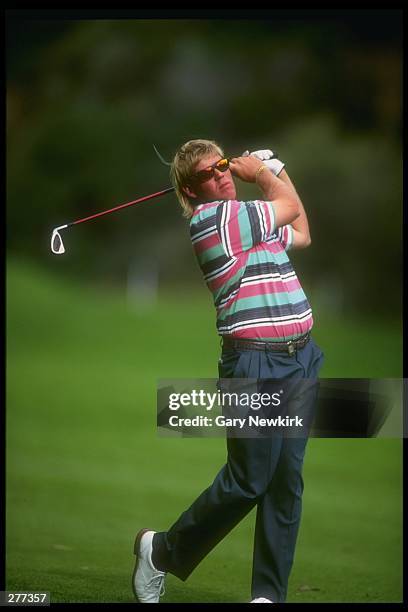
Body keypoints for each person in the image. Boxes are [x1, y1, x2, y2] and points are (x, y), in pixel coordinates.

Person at [132, 140, 324, 604]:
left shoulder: (250, 219)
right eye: (209, 174)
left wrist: (276, 168)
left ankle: (267, 596)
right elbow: (288, 204)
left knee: (285, 483)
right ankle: (159, 551)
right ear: (191, 191)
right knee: (249, 480)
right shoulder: (214, 221)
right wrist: (263, 172)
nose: (222, 176)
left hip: (301, 356)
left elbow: (301, 230)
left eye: (223, 165)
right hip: (255, 361)